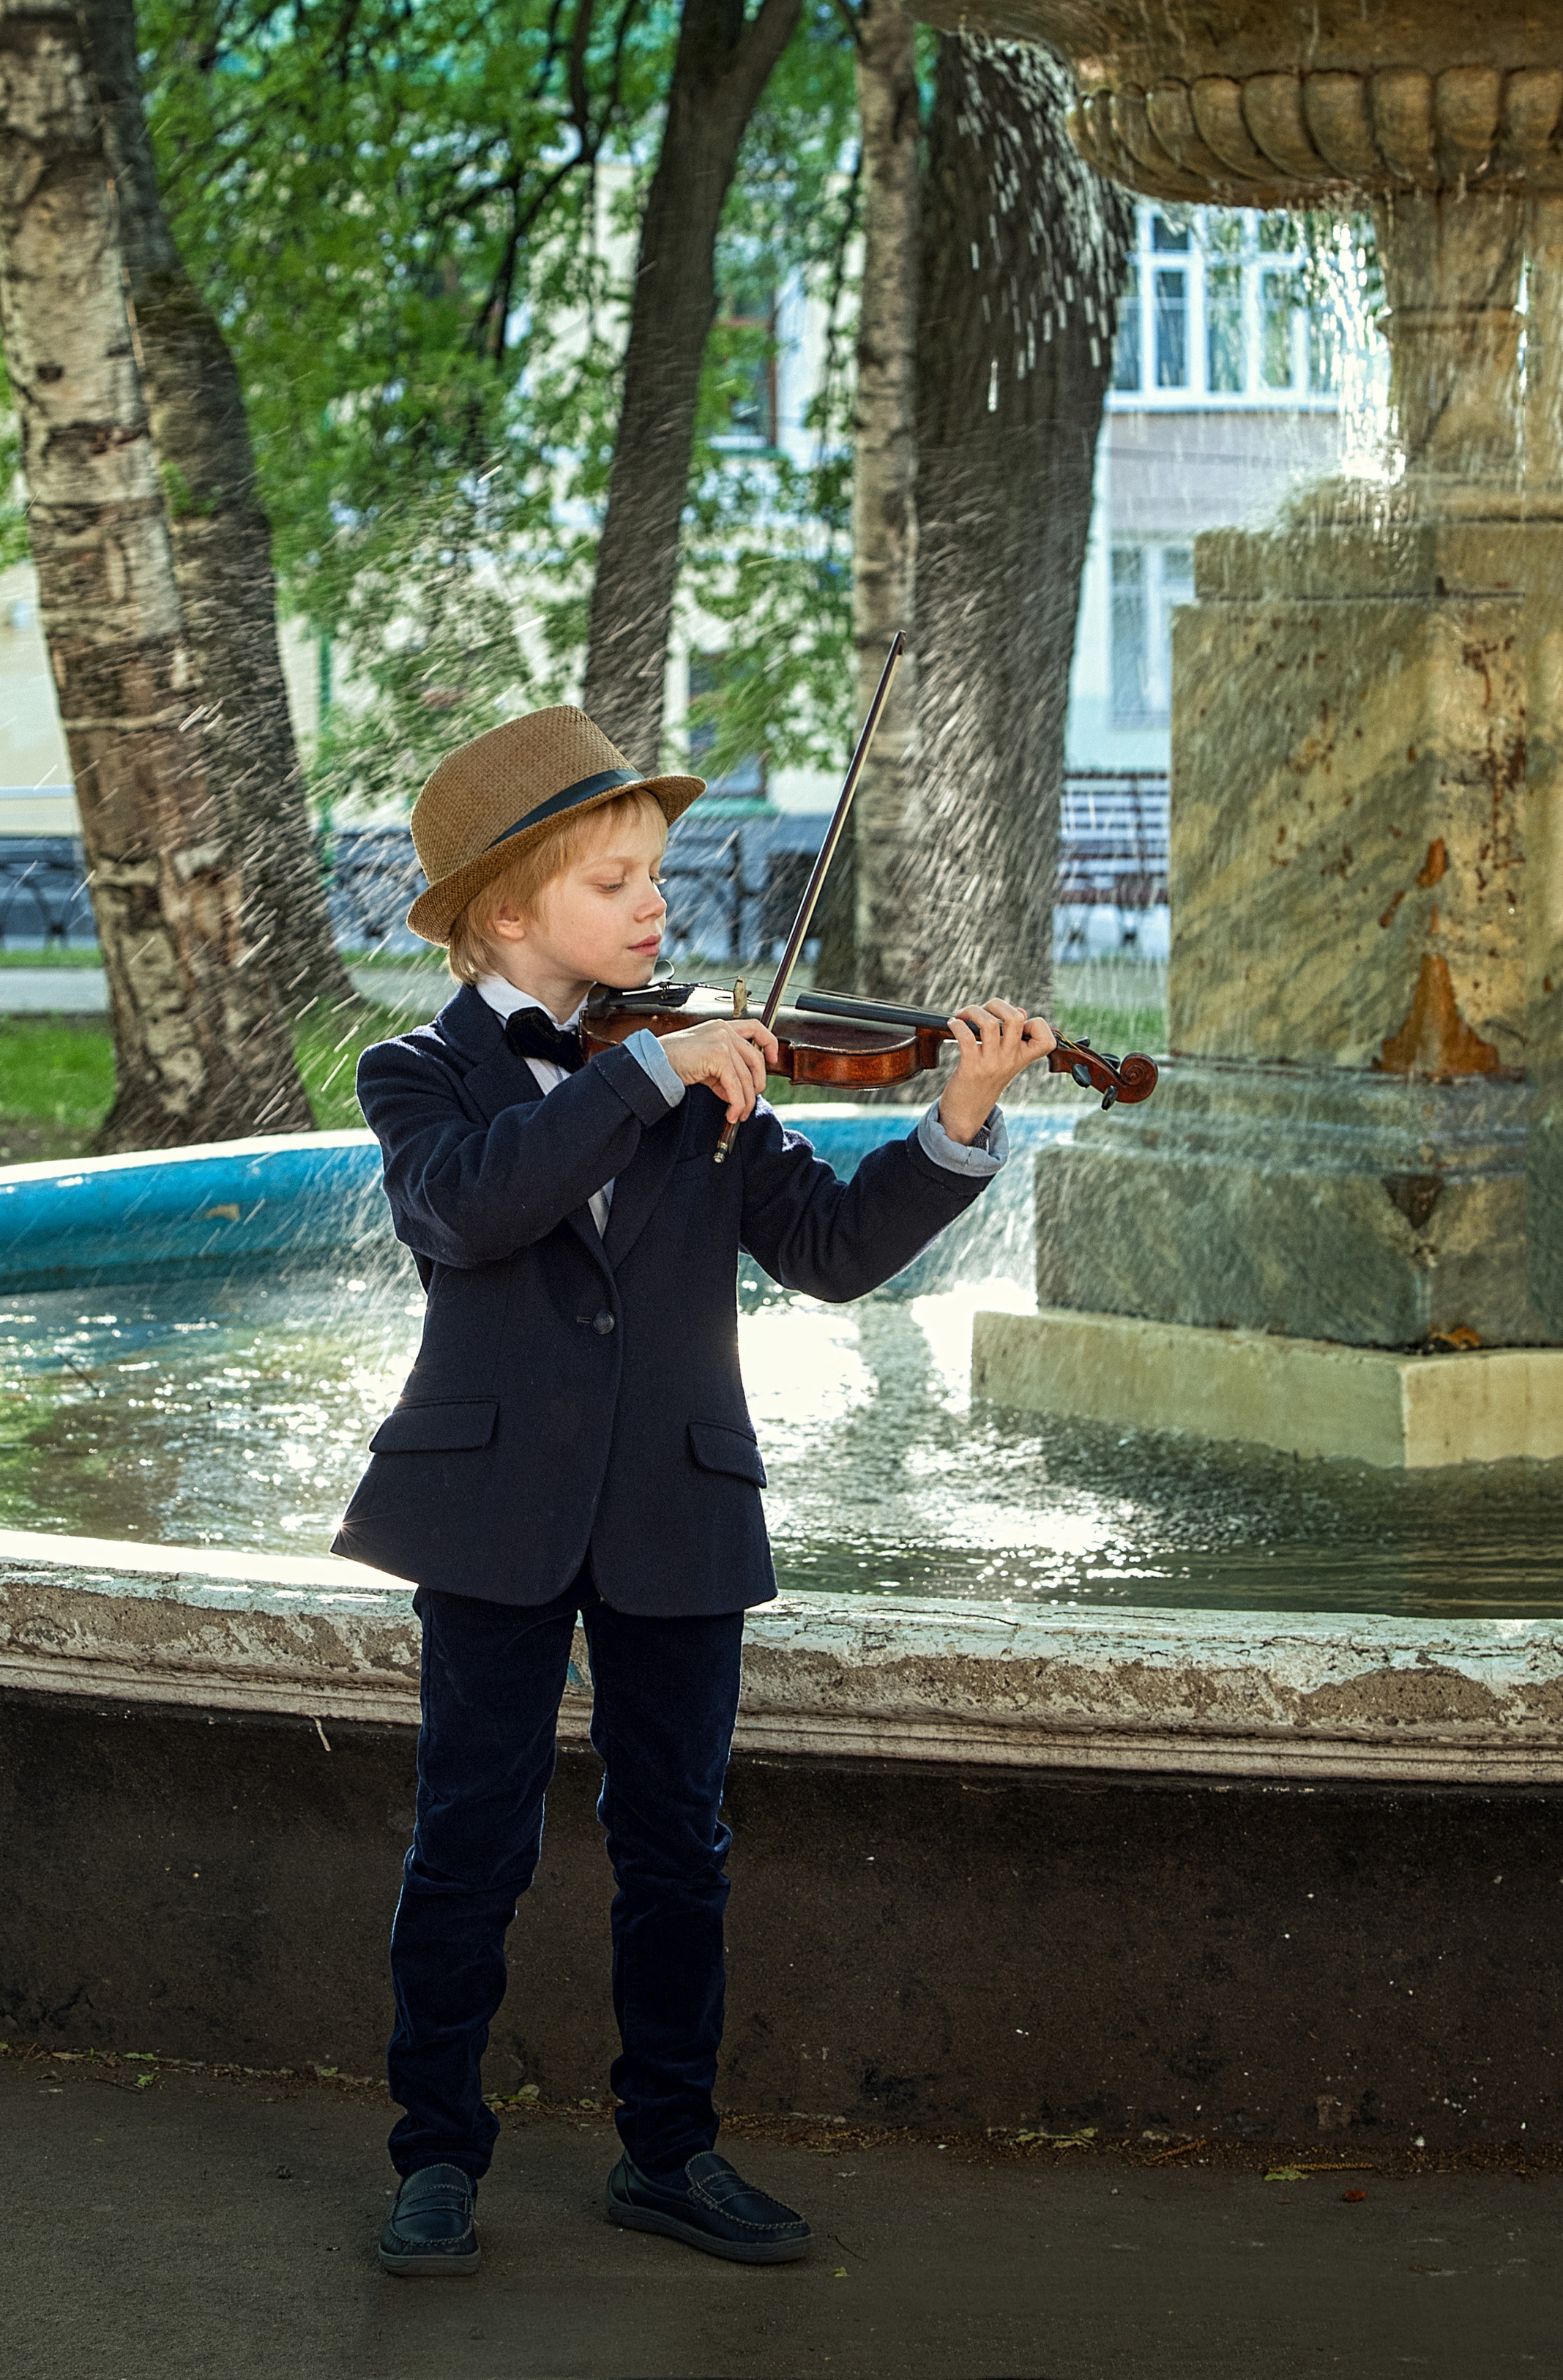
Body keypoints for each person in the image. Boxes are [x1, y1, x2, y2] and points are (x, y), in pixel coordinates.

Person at [334, 704, 1058, 2276]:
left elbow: (824, 1251)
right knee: (470, 1838)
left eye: (656, 874)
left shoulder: (699, 1061)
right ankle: (434, 2153)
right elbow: (471, 1213)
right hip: (491, 1505)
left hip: (675, 1499)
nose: (655, 907)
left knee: (676, 1843)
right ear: (509, 910)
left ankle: (667, 2150)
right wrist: (644, 1077)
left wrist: (955, 1120)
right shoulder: (427, 1073)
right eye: (614, 882)